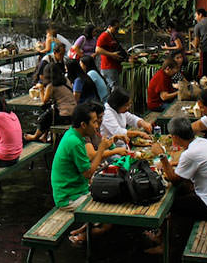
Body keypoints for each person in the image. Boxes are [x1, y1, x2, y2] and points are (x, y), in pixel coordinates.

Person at [147, 117, 207, 254]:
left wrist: (162, 156)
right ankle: (160, 236)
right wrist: (172, 164)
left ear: (174, 137)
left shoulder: (191, 154)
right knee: (181, 192)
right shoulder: (202, 143)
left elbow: (174, 179)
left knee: (168, 206)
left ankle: (168, 246)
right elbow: (188, 166)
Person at [50, 102, 116, 246]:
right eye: (94, 122)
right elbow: (88, 173)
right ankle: (87, 235)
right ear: (83, 125)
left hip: (78, 189)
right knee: (111, 213)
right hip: (68, 197)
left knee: (108, 192)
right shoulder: (74, 142)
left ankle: (86, 228)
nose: (97, 126)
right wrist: (101, 150)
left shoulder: (73, 135)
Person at [24, 64, 76, 142]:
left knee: (43, 118)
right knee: (50, 113)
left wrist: (41, 88)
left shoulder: (51, 86)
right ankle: (44, 136)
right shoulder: (66, 80)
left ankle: (35, 136)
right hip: (74, 112)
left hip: (65, 116)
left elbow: (44, 101)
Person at [95, 19, 126, 89]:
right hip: (108, 67)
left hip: (114, 66)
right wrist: (111, 54)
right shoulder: (104, 36)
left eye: (118, 28)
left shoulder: (112, 36)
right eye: (116, 28)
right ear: (109, 27)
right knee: (115, 88)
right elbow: (97, 49)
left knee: (112, 87)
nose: (117, 30)